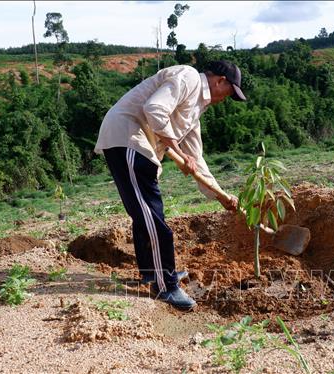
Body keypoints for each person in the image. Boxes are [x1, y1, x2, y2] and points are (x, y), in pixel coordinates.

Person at [94, 60, 244, 310]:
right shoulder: (189, 77)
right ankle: (166, 286)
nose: (226, 98)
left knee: (149, 214)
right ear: (220, 81)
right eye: (230, 93)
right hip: (127, 138)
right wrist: (176, 149)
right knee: (153, 218)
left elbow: (197, 160)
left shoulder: (196, 110)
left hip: (141, 147)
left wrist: (221, 196)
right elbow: (154, 109)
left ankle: (153, 274)